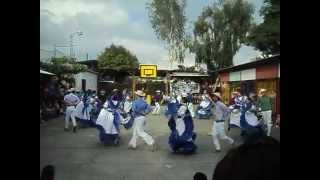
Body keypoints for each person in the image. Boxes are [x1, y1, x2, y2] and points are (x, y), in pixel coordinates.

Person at [211, 136, 280, 180]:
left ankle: (230, 141)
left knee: (222, 136)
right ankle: (218, 147)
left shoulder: (228, 166)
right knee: (214, 135)